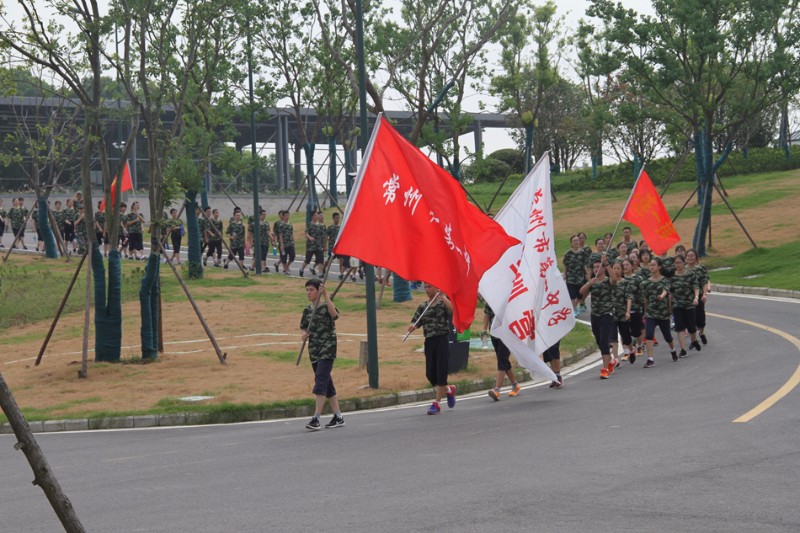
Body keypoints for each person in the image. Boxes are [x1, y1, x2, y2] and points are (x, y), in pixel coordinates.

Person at [300, 279, 344, 431]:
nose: (308, 292)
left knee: (320, 379)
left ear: (318, 291)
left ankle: (316, 418)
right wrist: (304, 335)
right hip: (314, 350)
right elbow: (304, 328)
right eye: (307, 290)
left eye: (311, 290)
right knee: (327, 384)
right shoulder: (307, 311)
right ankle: (338, 416)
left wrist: (326, 295)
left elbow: (335, 316)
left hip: (327, 348)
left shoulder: (326, 307)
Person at [407, 283, 456, 414]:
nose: (427, 289)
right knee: (430, 373)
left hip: (442, 339)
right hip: (429, 341)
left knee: (441, 371)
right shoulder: (423, 306)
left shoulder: (442, 304)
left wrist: (443, 297)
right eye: (426, 287)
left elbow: (452, 310)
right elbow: (416, 320)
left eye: (429, 287)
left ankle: (437, 403)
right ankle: (448, 390)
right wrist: (412, 326)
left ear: (436, 287)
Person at [580, 255, 618, 379]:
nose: (596, 269)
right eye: (594, 267)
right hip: (595, 314)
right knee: (598, 339)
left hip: (606, 313)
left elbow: (614, 280)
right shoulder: (593, 281)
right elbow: (581, 292)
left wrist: (606, 263)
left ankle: (605, 368)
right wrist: (589, 283)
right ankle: (611, 361)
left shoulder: (607, 280)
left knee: (604, 340)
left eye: (598, 266)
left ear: (603, 268)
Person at [640, 257, 678, 367]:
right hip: (651, 313)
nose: (651, 267)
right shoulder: (646, 283)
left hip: (663, 313)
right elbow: (646, 299)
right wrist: (645, 311)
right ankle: (650, 359)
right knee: (649, 335)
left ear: (659, 267)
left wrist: (662, 296)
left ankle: (673, 350)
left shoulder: (665, 280)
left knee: (668, 337)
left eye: (653, 265)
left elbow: (666, 290)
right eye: (650, 265)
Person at [482, 303, 522, 400]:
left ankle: (497, 390)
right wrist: (484, 330)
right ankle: (515, 385)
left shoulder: (509, 299)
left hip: (507, 334)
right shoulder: (490, 299)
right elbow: (487, 314)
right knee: (503, 360)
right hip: (494, 334)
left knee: (502, 360)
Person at [670, 254, 702, 357]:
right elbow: (670, 292)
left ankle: (694, 340)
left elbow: (696, 287)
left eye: (679, 262)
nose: (678, 265)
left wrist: (696, 298)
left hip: (689, 304)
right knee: (679, 328)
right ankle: (683, 349)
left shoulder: (690, 274)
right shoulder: (673, 277)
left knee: (691, 327)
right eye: (676, 263)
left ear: (684, 263)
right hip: (677, 304)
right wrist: (669, 306)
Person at [686, 248, 710, 345]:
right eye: (688, 256)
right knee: (690, 319)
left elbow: (704, 282)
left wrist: (704, 294)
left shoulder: (700, 268)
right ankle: (693, 340)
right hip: (687, 298)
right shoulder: (684, 269)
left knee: (700, 318)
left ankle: (702, 332)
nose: (690, 258)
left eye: (692, 256)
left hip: (699, 296)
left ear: (696, 257)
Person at [563, 234, 586, 316]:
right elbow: (565, 265)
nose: (576, 242)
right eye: (574, 241)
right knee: (572, 295)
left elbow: (584, 264)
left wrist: (586, 273)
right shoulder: (568, 254)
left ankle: (582, 303)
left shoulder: (582, 253)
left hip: (580, 277)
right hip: (571, 278)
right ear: (571, 243)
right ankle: (574, 309)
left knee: (580, 294)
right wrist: (565, 274)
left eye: (577, 240)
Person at [300, 211, 326, 277]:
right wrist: (310, 237)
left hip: (319, 245)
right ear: (312, 216)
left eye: (317, 215)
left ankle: (320, 273)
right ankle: (301, 269)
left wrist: (324, 245)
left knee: (320, 260)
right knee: (307, 260)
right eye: (315, 215)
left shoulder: (320, 225)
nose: (317, 216)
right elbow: (306, 233)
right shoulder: (309, 224)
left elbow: (323, 236)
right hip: (311, 246)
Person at [278, 210, 296, 275]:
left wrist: (293, 242)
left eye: (288, 215)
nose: (287, 217)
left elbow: (291, 233)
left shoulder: (290, 224)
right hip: (284, 244)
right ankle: (285, 270)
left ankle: (287, 267)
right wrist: (282, 244)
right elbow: (280, 235)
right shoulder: (281, 225)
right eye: (286, 215)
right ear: (283, 216)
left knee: (292, 256)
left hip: (290, 243)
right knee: (284, 257)